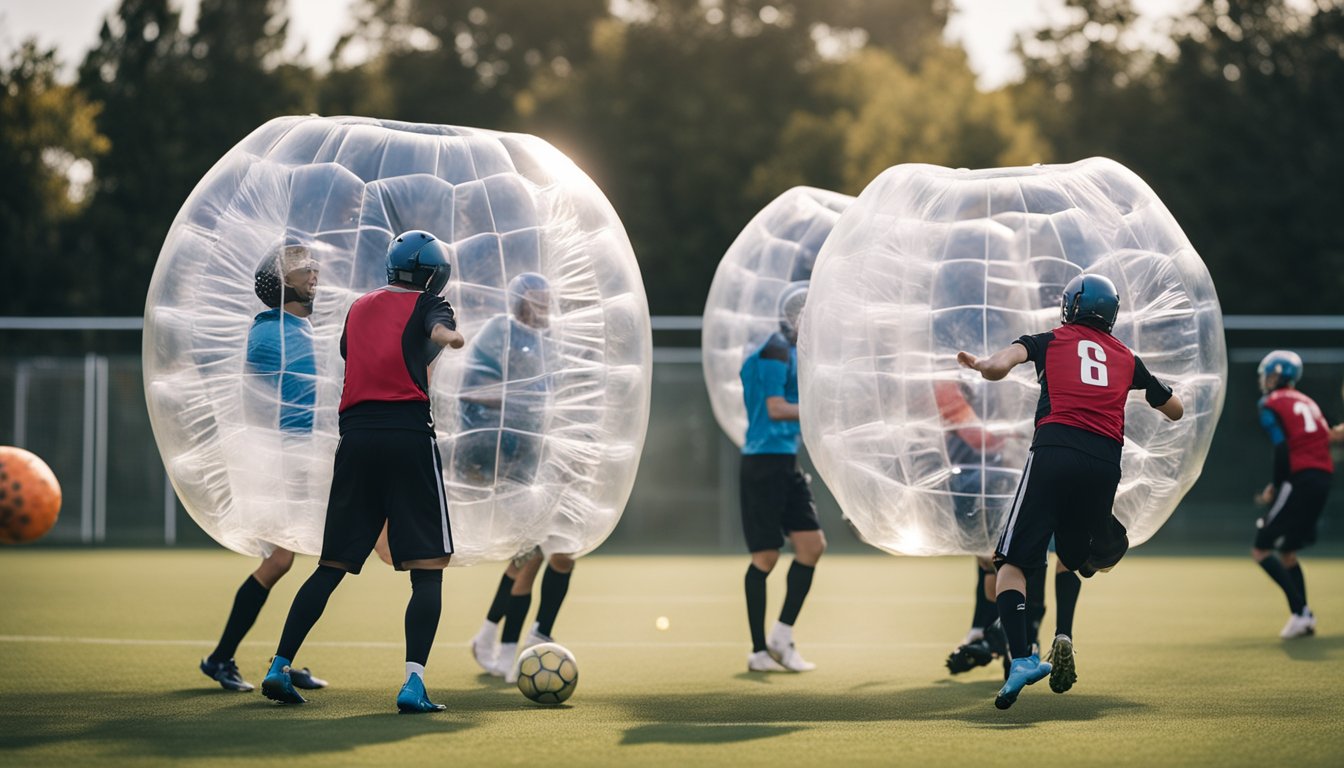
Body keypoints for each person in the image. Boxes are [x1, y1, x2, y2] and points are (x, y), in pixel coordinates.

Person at [260, 230, 465, 713]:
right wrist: (449, 336)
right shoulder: (433, 303)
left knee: (330, 565)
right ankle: (413, 684)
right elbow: (435, 332)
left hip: (355, 442)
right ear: (433, 275)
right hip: (408, 438)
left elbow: (361, 356)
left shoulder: (357, 307)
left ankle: (278, 665)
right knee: (429, 568)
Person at [958, 273, 1184, 709]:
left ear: (1071, 307)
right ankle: (1069, 620)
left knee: (1009, 561)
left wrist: (983, 365)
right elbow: (1173, 410)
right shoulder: (1127, 357)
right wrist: (1147, 384)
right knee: (1073, 557)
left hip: (1056, 447)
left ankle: (1022, 657)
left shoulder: (1049, 339)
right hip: (1104, 463)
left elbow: (999, 366)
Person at [198, 241, 327, 694]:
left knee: (306, 557)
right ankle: (221, 658)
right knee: (281, 559)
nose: (314, 271)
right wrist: (274, 465)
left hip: (299, 457)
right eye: (301, 267)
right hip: (277, 459)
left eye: (313, 264)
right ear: (279, 281)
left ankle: (281, 660)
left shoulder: (304, 329)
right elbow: (253, 403)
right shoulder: (269, 332)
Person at [453, 273, 575, 682]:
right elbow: (470, 391)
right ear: (520, 301)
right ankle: (507, 648)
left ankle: (509, 635)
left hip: (544, 453)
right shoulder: (500, 332)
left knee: (559, 551)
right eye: (536, 299)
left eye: (547, 299)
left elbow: (555, 396)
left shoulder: (551, 343)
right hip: (507, 456)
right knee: (531, 551)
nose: (543, 307)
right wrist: (514, 397)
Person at [739, 285, 825, 673]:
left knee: (812, 546)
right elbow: (775, 408)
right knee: (766, 556)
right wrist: (820, 411)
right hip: (763, 462)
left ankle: (781, 636)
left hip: (786, 461)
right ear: (795, 315)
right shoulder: (774, 348)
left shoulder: (790, 350)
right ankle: (758, 651)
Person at [1250, 350, 1343, 638]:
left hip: (1298, 478)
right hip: (1322, 478)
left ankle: (1302, 612)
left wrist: (1276, 487)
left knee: (1261, 548)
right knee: (1288, 552)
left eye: (1269, 374)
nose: (1265, 380)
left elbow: (1282, 448)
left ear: (1278, 374)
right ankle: (1302, 617)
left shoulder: (1270, 403)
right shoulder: (1308, 402)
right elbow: (1326, 437)